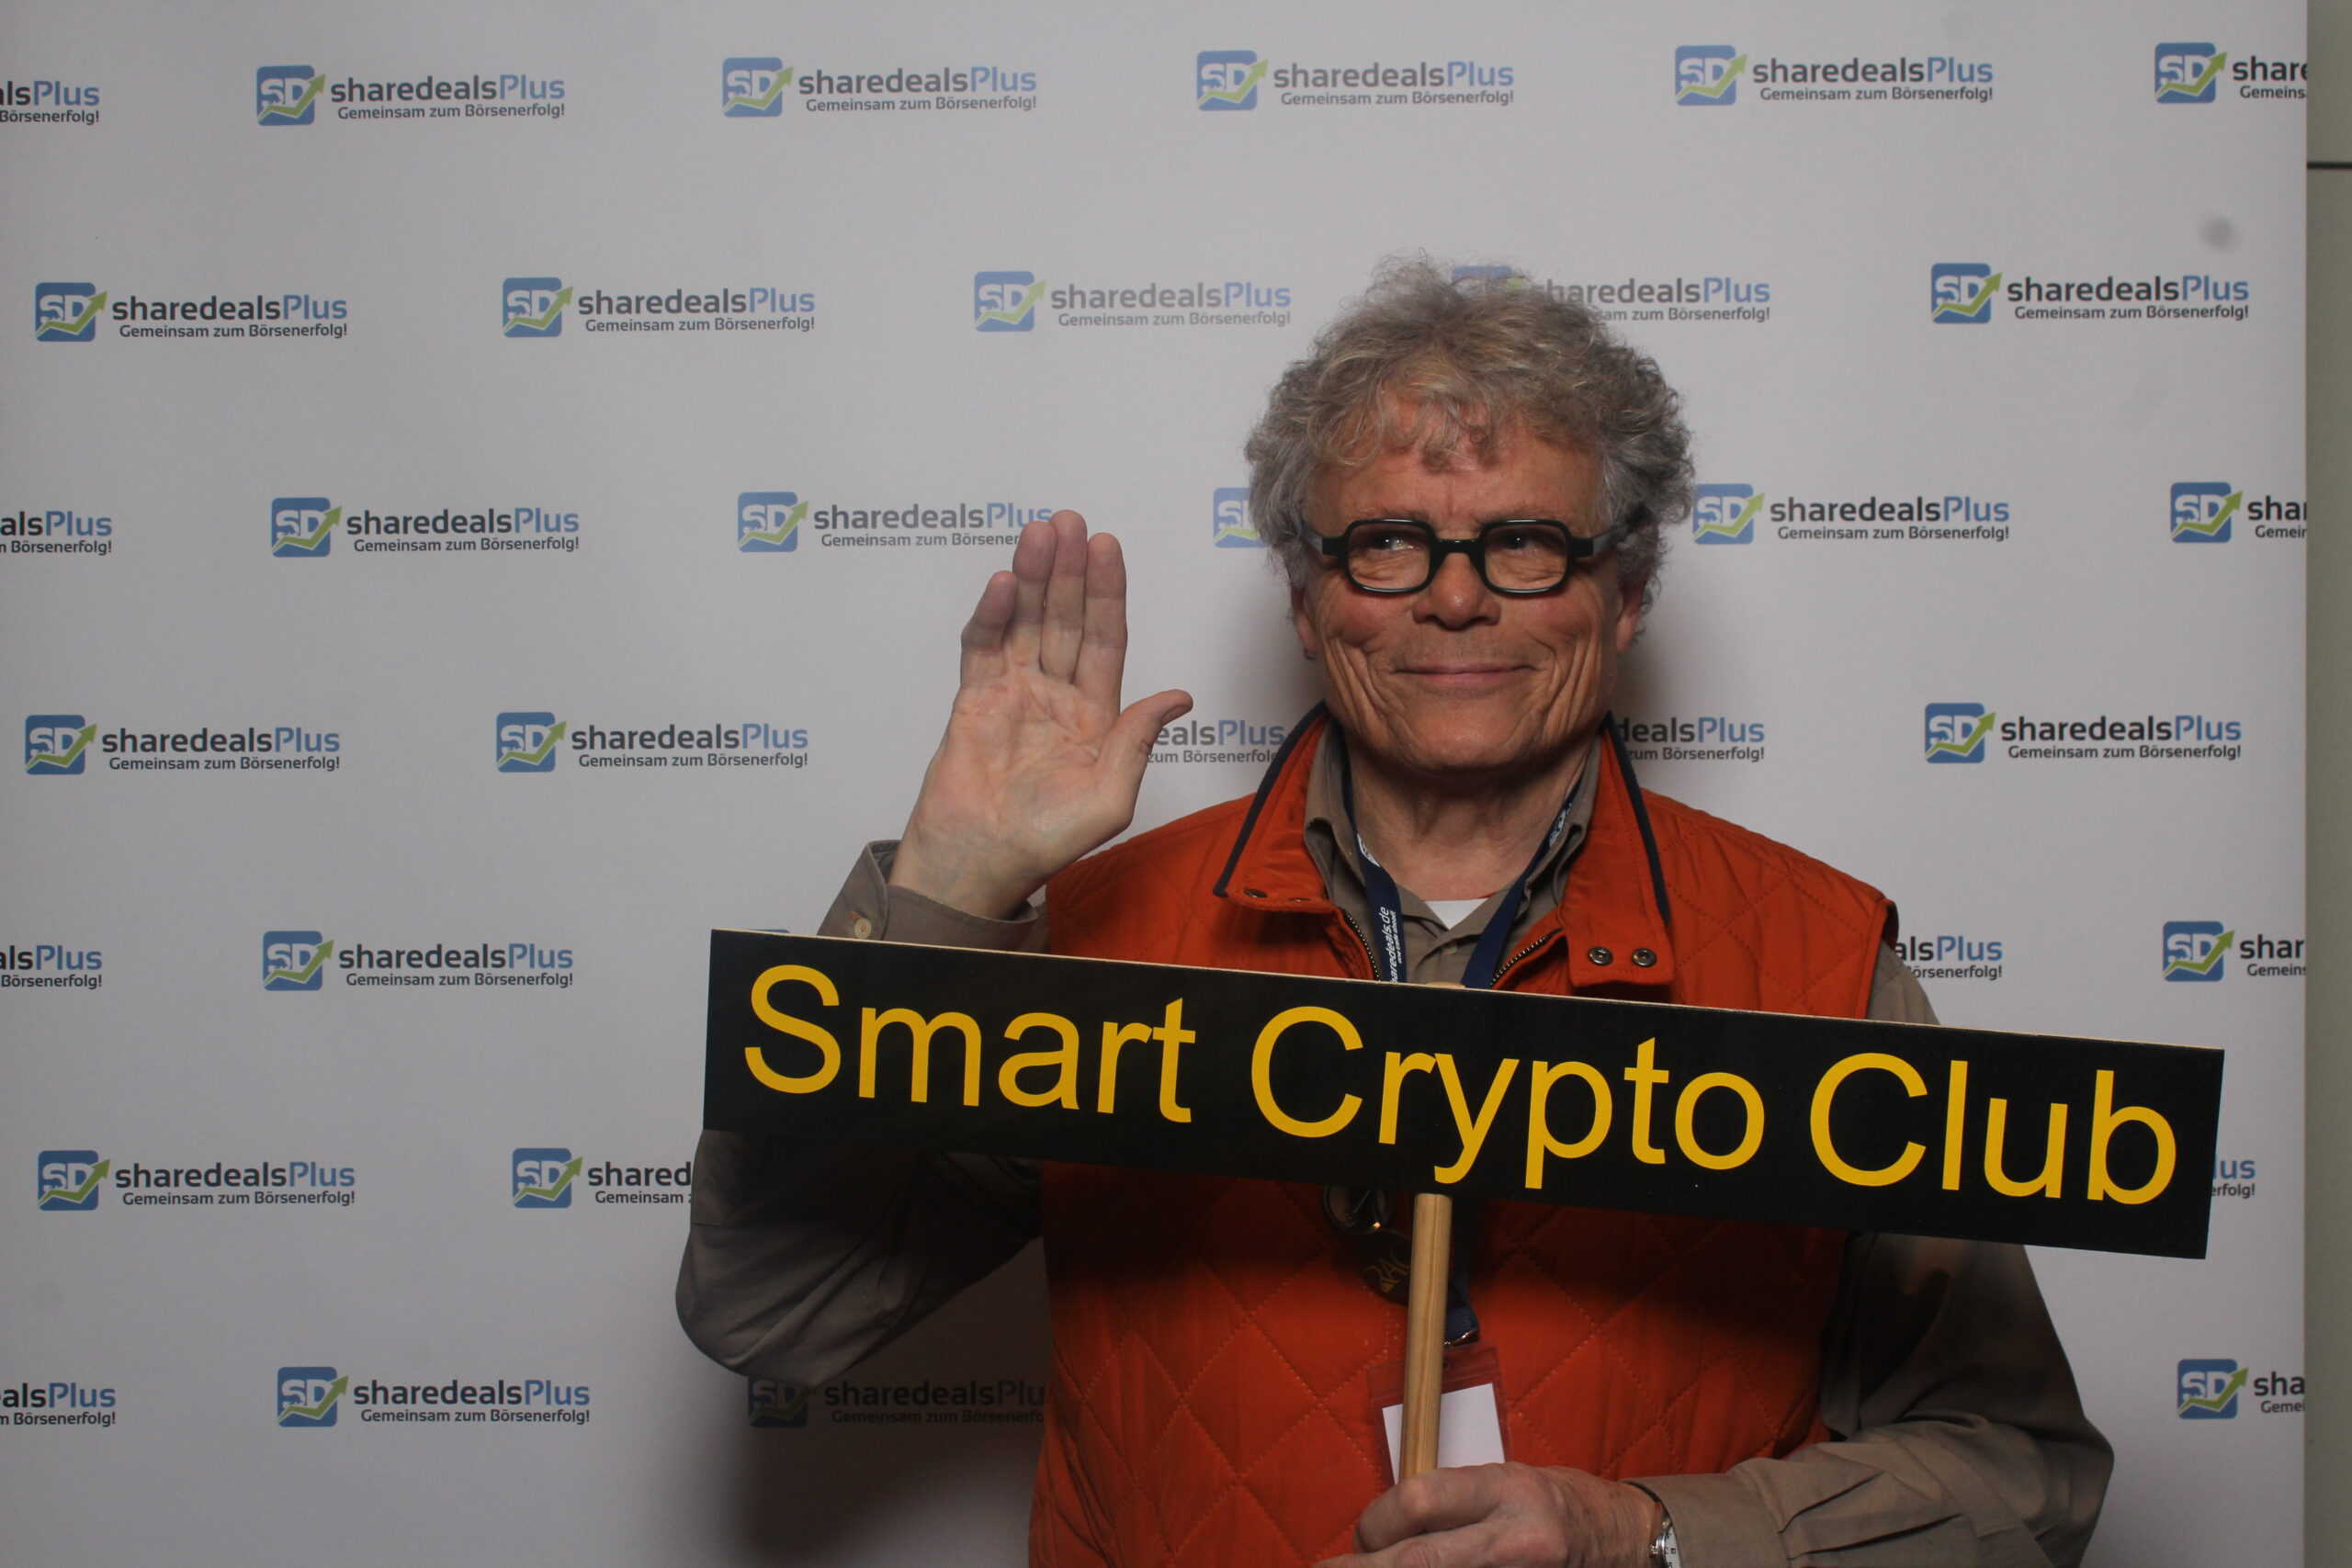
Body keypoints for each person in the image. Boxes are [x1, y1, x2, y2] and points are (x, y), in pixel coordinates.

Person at [680, 262, 2110, 1568]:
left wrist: (1649, 1539)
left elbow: (2020, 1472)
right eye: (1386, 544)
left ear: (1624, 596)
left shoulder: (1819, 958)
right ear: (1309, 601)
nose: (1455, 600)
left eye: (1526, 543)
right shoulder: (1098, 934)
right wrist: (945, 892)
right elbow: (773, 1314)